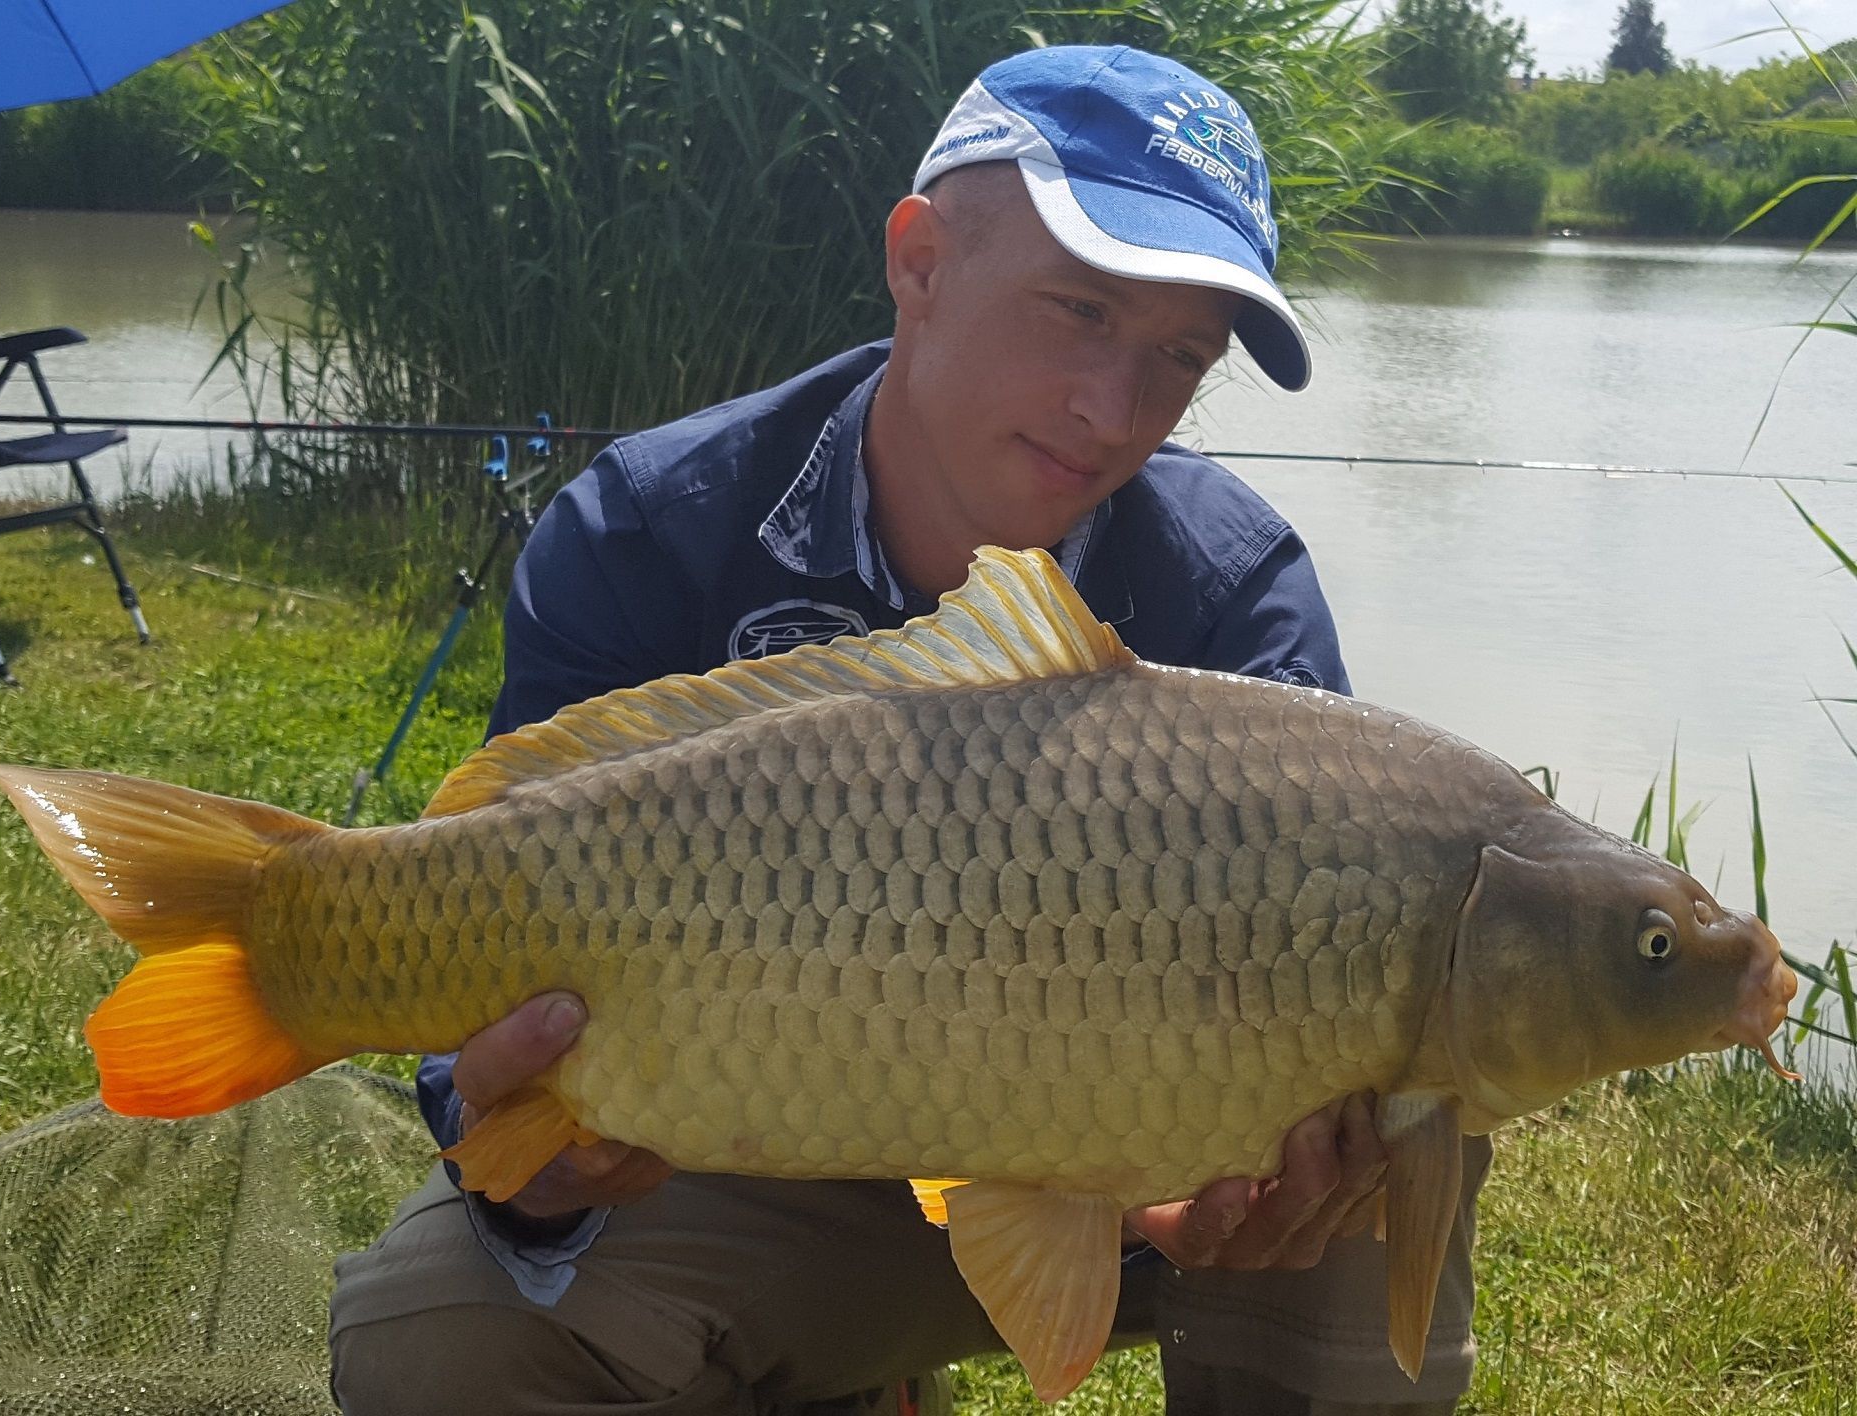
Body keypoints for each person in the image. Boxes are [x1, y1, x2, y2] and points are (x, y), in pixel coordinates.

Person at [328, 44, 1489, 1416]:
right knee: (434, 1336)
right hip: (768, 1170)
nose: (1114, 412)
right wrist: (529, 1146)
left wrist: (1183, 1186)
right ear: (921, 262)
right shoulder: (652, 530)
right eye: (1077, 312)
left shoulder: (1227, 588)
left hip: (1152, 1174)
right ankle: (832, 1380)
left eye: (1180, 357)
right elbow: (481, 1042)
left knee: (1409, 1116)